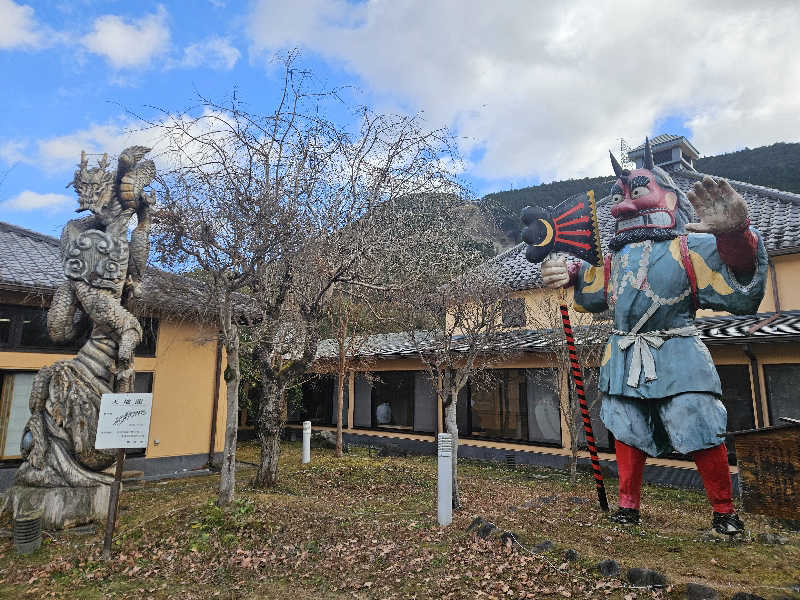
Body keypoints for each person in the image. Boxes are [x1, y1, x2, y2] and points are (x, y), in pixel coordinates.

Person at [541, 139, 767, 535]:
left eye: (638, 190)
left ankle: (724, 511)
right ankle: (628, 506)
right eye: (620, 194)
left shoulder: (691, 246)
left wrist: (735, 236)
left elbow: (742, 285)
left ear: (671, 199)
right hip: (625, 351)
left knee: (696, 421)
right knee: (626, 425)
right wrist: (568, 271)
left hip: (677, 348)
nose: (623, 204)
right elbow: (590, 290)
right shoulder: (612, 260)